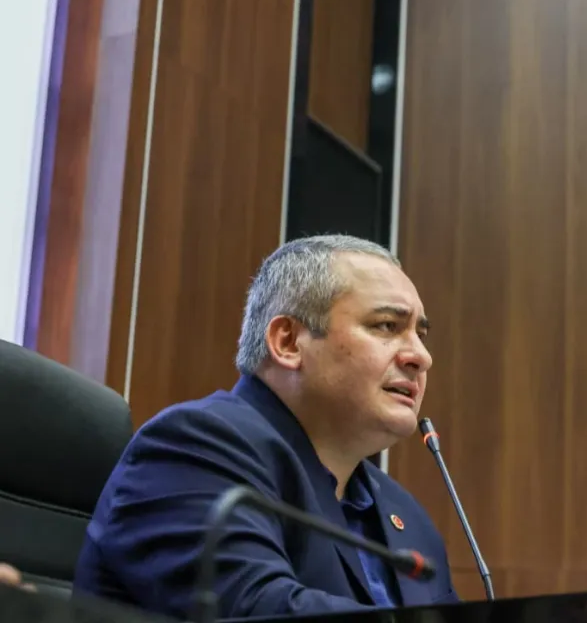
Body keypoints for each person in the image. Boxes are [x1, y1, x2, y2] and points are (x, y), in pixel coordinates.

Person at [74, 235, 459, 619]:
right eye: (387, 326)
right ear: (288, 342)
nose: (420, 356)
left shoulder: (407, 517)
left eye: (420, 335)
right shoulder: (192, 449)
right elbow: (257, 609)